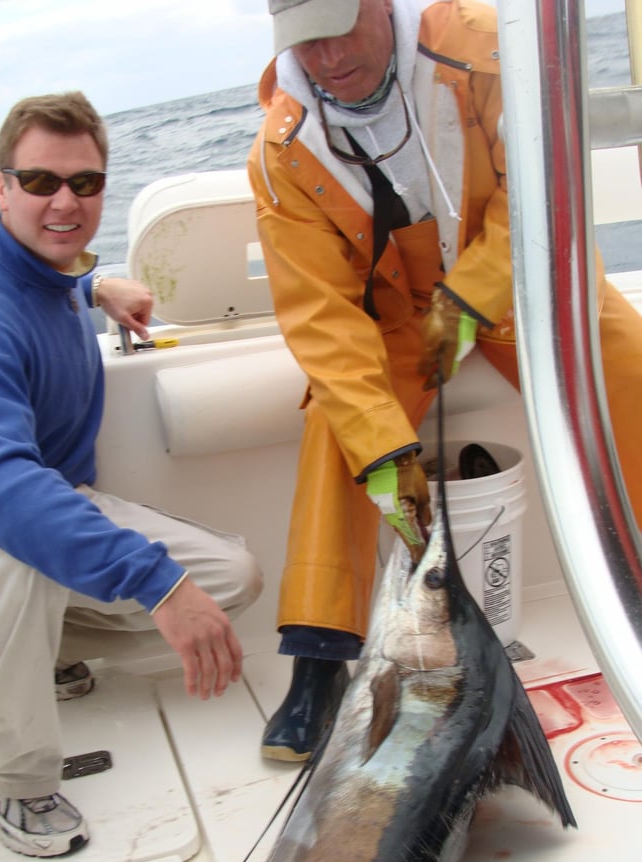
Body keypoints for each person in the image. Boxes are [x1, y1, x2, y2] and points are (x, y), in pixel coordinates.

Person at [248, 0, 642, 762]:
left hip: (519, 277)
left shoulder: (487, 47)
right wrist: (385, 455)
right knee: (338, 427)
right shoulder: (280, 150)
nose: (327, 58)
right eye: (306, 41)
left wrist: (472, 296)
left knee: (623, 360)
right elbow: (322, 318)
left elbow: (541, 185)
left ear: (380, 5)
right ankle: (320, 661)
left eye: (339, 28)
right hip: (398, 315)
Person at [0, 91, 262, 857]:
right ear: (1, 188)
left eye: (85, 184)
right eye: (39, 182)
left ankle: (46, 650)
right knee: (18, 545)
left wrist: (95, 285)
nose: (65, 201)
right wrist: (157, 584)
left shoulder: (54, 273)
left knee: (232, 577)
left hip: (39, 500)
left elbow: (48, 275)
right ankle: (6, 777)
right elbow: (2, 496)